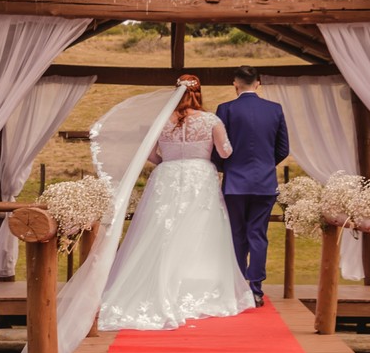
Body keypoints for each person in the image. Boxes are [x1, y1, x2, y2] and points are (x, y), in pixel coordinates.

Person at [97, 74, 256, 330]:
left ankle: (159, 282)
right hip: (200, 177)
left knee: (161, 231)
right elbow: (226, 151)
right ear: (199, 93)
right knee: (201, 231)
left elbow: (148, 153)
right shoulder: (210, 120)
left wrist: (166, 163)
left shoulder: (161, 121)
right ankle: (196, 286)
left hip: (167, 176)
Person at [214, 65, 289, 306]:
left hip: (235, 182)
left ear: (235, 83)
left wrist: (227, 167)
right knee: (258, 234)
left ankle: (237, 289)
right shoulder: (274, 110)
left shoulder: (225, 110)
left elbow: (219, 147)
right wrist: (267, 164)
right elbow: (283, 149)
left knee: (236, 234)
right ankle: (256, 289)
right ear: (258, 83)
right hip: (265, 183)